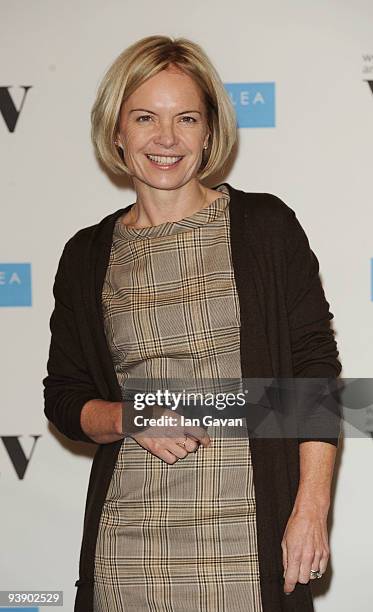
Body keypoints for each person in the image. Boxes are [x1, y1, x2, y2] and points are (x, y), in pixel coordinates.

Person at [43, 35, 342, 612]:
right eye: (145, 117)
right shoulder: (85, 255)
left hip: (249, 536)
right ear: (116, 131)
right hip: (129, 540)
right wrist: (131, 415)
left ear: (209, 133)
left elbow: (315, 374)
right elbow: (64, 398)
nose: (166, 138)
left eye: (187, 118)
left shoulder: (266, 226)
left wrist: (310, 508)